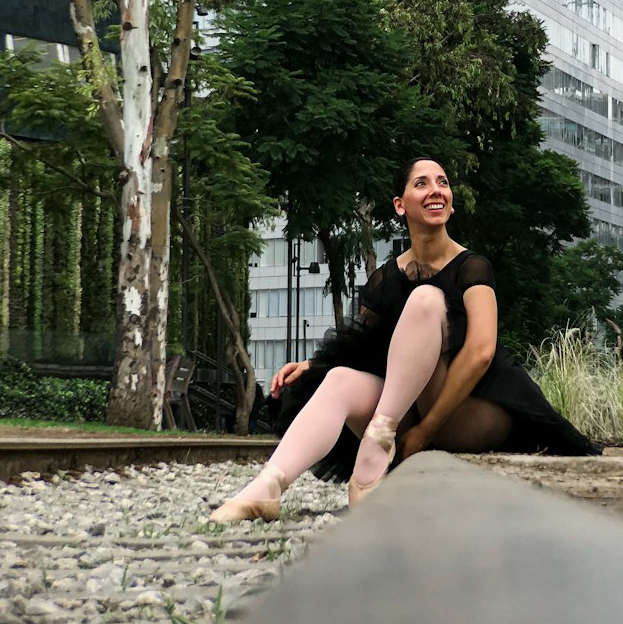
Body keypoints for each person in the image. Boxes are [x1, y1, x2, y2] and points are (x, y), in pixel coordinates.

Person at [210, 157, 600, 522]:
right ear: (400, 205)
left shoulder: (472, 266)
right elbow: (367, 347)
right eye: (422, 183)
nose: (436, 190)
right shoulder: (386, 278)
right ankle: (268, 486)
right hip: (406, 409)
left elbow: (481, 353)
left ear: (451, 202)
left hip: (474, 409)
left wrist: (424, 430)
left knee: (427, 299)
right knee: (339, 380)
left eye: (443, 183)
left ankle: (380, 438)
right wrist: (313, 365)